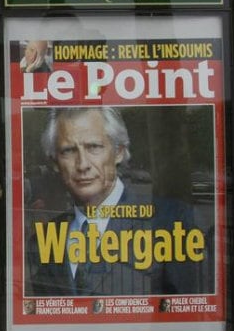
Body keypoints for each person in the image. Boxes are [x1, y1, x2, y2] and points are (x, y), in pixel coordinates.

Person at [27, 106, 203, 296]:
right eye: (68, 151)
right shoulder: (44, 238)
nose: (83, 164)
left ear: (119, 152)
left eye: (94, 147)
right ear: (55, 162)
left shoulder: (172, 221)